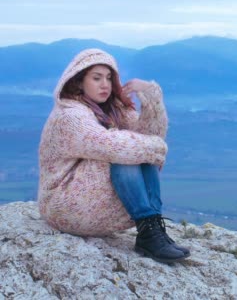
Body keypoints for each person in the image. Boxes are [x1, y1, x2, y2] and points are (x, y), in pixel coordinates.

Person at [38, 48, 190, 263]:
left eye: (109, 78)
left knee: (136, 149)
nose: (105, 85)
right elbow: (117, 146)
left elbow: (150, 136)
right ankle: (149, 230)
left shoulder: (112, 109)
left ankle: (152, 229)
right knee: (124, 152)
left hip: (88, 202)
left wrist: (151, 95)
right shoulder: (70, 115)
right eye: (96, 78)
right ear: (79, 81)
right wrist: (157, 149)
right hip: (63, 206)